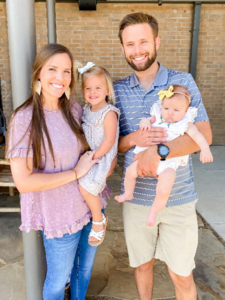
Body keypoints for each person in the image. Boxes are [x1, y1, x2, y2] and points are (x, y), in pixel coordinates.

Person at [114, 12, 212, 300]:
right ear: (122, 48)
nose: (137, 50)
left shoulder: (182, 82)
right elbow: (114, 145)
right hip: (136, 200)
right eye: (130, 44)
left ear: (156, 41)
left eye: (143, 41)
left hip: (178, 198)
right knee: (142, 266)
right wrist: (134, 139)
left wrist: (159, 152)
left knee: (181, 274)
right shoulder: (117, 90)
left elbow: (204, 136)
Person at [6, 43, 114, 300]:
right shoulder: (25, 118)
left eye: (66, 71)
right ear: (38, 73)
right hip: (59, 216)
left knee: (83, 270)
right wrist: (76, 173)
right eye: (53, 69)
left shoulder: (75, 110)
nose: (60, 77)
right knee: (57, 282)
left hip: (92, 207)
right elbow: (23, 182)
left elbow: (100, 141)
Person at [115, 85, 213, 226]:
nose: (170, 113)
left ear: (185, 111)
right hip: (145, 156)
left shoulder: (185, 124)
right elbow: (145, 120)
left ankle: (153, 212)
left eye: (176, 110)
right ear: (161, 107)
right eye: (166, 108)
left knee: (163, 189)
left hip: (169, 163)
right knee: (130, 171)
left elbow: (199, 136)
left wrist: (205, 149)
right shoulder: (158, 118)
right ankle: (128, 193)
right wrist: (146, 123)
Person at [74, 62, 120, 246]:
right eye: (88, 88)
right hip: (90, 155)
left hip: (102, 156)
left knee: (86, 187)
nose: (92, 92)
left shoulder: (109, 113)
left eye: (98, 88)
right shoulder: (86, 109)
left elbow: (109, 140)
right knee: (79, 185)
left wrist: (94, 157)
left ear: (107, 90)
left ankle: (98, 220)